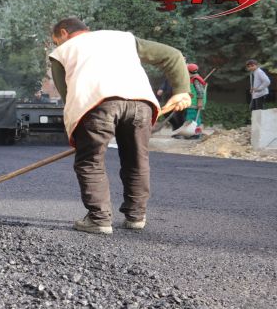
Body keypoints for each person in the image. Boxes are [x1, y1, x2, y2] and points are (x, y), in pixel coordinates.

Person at [49, 17, 191, 234]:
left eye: (56, 40)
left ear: (63, 32)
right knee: (136, 159)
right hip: (141, 104)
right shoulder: (123, 39)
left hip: (96, 105)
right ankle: (136, 217)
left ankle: (99, 219)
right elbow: (172, 55)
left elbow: (68, 96)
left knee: (91, 162)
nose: (57, 45)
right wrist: (182, 90)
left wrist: (77, 134)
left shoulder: (62, 51)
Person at [183, 63, 207, 139]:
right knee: (194, 118)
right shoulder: (193, 78)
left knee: (192, 118)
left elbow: (200, 91)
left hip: (194, 103)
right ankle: (193, 133)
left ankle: (194, 134)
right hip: (192, 101)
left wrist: (200, 102)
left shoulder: (195, 79)